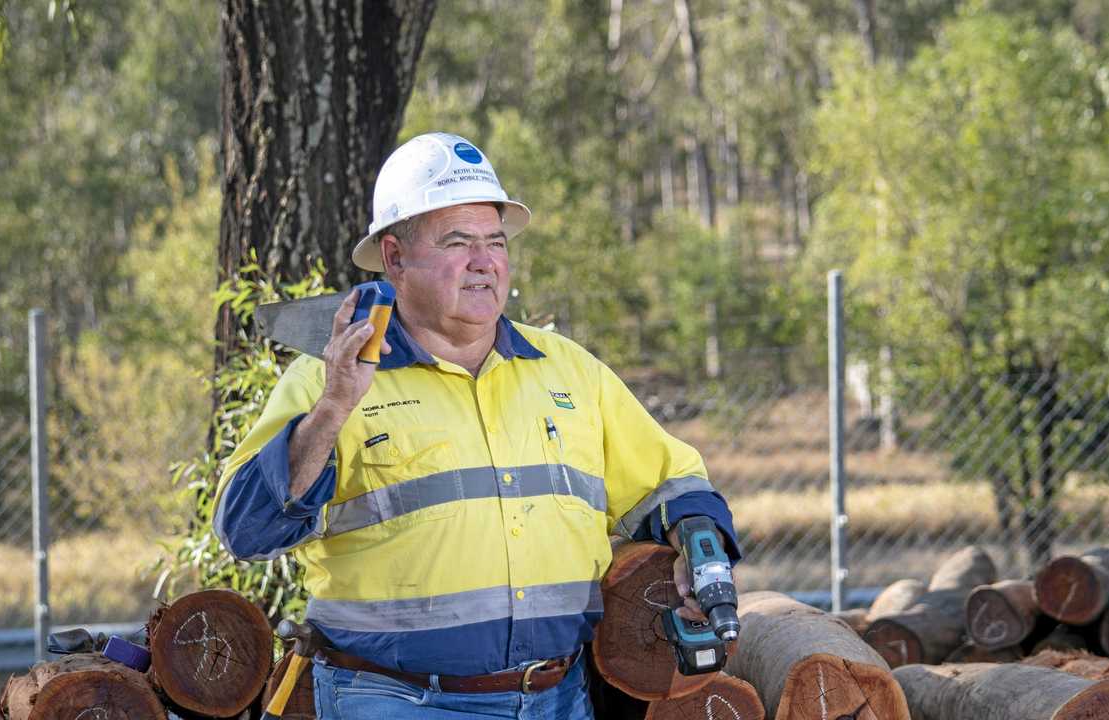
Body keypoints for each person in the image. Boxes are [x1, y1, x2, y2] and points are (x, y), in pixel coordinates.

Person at [215, 132, 741, 719]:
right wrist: (335, 407)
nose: (484, 261)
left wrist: (702, 550)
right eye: (457, 242)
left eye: (495, 241)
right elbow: (245, 530)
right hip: (392, 700)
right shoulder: (327, 380)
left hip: (556, 698)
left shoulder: (570, 371)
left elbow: (672, 482)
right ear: (394, 259)